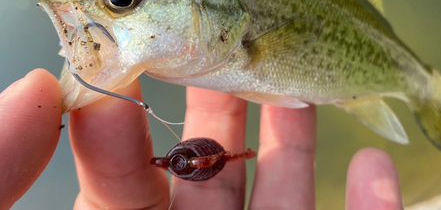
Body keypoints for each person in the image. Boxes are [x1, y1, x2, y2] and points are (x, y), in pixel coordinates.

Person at [0, 69, 404, 210]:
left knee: (194, 160)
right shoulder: (199, 161)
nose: (196, 163)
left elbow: (195, 162)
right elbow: (198, 162)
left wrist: (183, 162)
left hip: (199, 156)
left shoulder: (193, 161)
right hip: (204, 157)